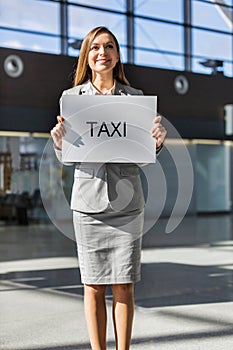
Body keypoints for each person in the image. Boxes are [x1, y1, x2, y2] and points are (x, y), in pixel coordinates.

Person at [51, 26, 167, 350]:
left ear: (117, 55)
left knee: (124, 286)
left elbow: (142, 156)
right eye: (96, 47)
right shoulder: (72, 100)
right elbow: (70, 158)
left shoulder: (135, 100)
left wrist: (154, 144)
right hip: (87, 205)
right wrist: (60, 143)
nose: (103, 52)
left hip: (127, 205)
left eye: (109, 47)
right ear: (87, 56)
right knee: (92, 286)